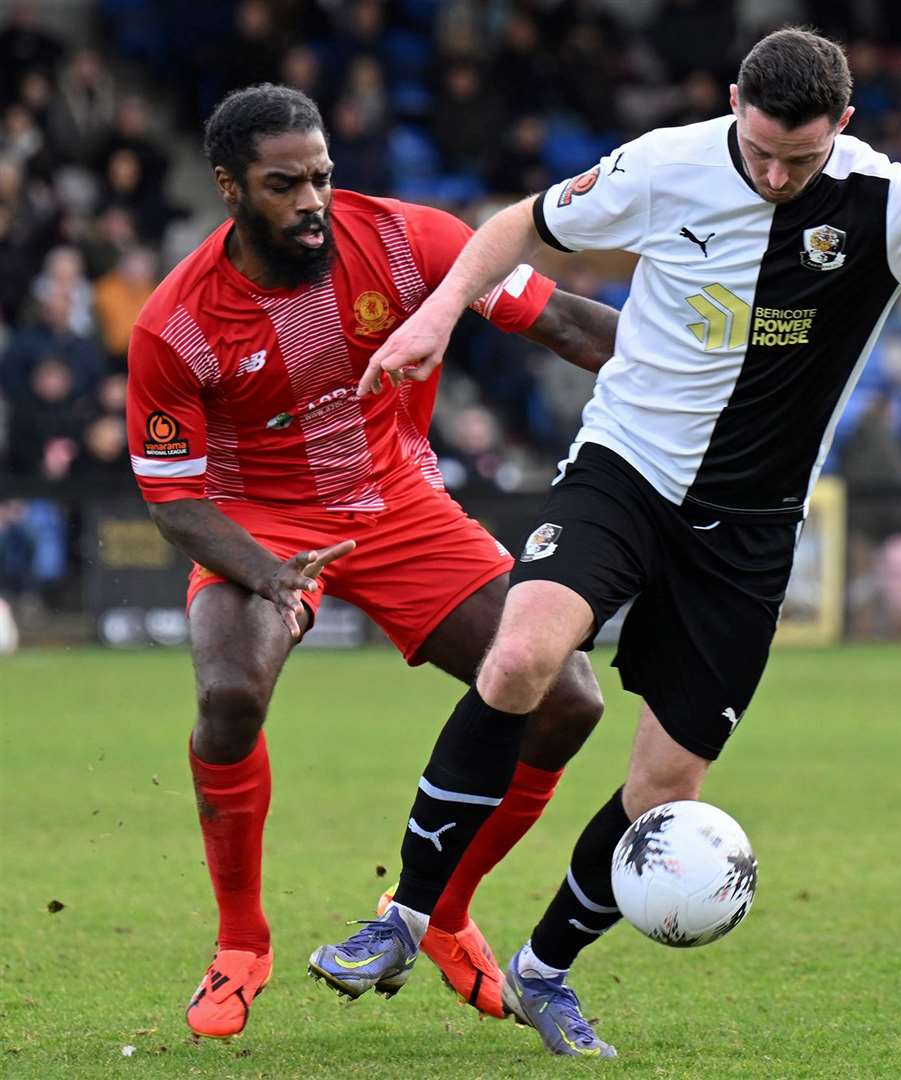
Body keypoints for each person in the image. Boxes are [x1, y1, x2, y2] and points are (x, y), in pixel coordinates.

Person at [309, 28, 901, 1058]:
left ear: (842, 127)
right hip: (627, 468)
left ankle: (545, 969)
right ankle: (400, 919)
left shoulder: (892, 203)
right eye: (758, 150)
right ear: (732, 107)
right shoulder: (665, 165)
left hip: (753, 527)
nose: (772, 173)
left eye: (797, 159)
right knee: (527, 652)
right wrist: (439, 315)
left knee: (666, 790)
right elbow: (515, 227)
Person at [125, 84, 621, 1040]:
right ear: (229, 188)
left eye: (320, 176)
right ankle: (240, 944)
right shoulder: (175, 321)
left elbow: (562, 322)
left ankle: (438, 915)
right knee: (229, 700)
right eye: (283, 185)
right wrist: (268, 574)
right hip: (254, 521)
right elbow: (175, 494)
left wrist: (703, 365)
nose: (311, 200)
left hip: (396, 503)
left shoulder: (411, 241)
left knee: (566, 696)